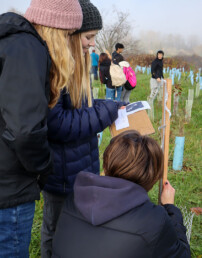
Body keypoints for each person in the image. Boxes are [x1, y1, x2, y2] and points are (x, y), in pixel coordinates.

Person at [0, 0, 83, 257]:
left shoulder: (7, 42)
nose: (69, 45)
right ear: (55, 29)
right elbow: (25, 131)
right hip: (4, 191)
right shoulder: (26, 48)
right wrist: (44, 170)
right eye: (68, 35)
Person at [41, 1, 126, 257]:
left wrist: (107, 105)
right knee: (55, 230)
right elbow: (59, 124)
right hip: (61, 175)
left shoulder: (75, 67)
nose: (92, 44)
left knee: (74, 230)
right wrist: (107, 111)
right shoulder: (54, 69)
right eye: (88, 37)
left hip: (78, 168)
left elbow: (80, 107)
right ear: (71, 34)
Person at [52, 130, 191, 258]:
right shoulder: (154, 221)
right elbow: (182, 254)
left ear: (106, 166)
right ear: (153, 177)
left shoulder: (74, 199)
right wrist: (170, 208)